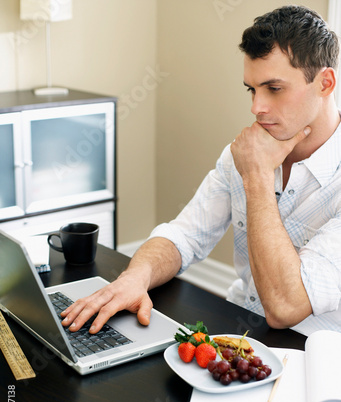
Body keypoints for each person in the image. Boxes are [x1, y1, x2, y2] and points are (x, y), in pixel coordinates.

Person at [61, 5, 341, 336]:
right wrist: (133, 279)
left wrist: (257, 178)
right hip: (238, 333)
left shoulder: (253, 163)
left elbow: (286, 307)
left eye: (274, 88)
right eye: (251, 89)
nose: (256, 108)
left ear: (325, 83)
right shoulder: (247, 153)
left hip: (314, 356)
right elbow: (185, 236)